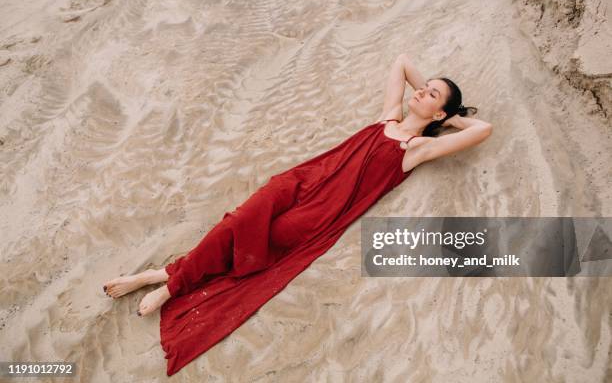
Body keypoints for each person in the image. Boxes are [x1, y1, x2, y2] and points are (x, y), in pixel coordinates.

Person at [102, 53, 492, 375]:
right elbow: (402, 62)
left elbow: (483, 129)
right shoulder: (388, 118)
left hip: (321, 212)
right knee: (239, 222)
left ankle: (163, 277)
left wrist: (454, 118)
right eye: (425, 87)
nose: (421, 90)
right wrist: (438, 100)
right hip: (302, 179)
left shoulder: (415, 149)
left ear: (439, 114)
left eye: (431, 94)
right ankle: (169, 283)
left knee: (256, 240)